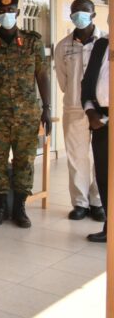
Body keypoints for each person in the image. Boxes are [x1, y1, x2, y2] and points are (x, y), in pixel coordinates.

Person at [0, 0, 51, 228]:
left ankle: (20, 208)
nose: (7, 15)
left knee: (24, 161)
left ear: (17, 13)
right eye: (2, 12)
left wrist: (46, 108)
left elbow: (42, 75)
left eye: (11, 10)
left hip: (26, 115)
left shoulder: (32, 42)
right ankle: (0, 206)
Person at [55, 0, 106, 221]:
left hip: (102, 109)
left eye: (84, 12)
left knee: (101, 157)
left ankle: (98, 202)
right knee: (77, 157)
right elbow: (63, 80)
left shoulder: (105, 42)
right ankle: (80, 203)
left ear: (93, 14)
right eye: (75, 11)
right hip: (74, 107)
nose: (79, 15)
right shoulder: (63, 46)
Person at [81, 36, 109, 243]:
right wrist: (91, 112)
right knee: (105, 176)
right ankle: (110, 226)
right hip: (101, 121)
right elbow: (88, 81)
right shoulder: (101, 45)